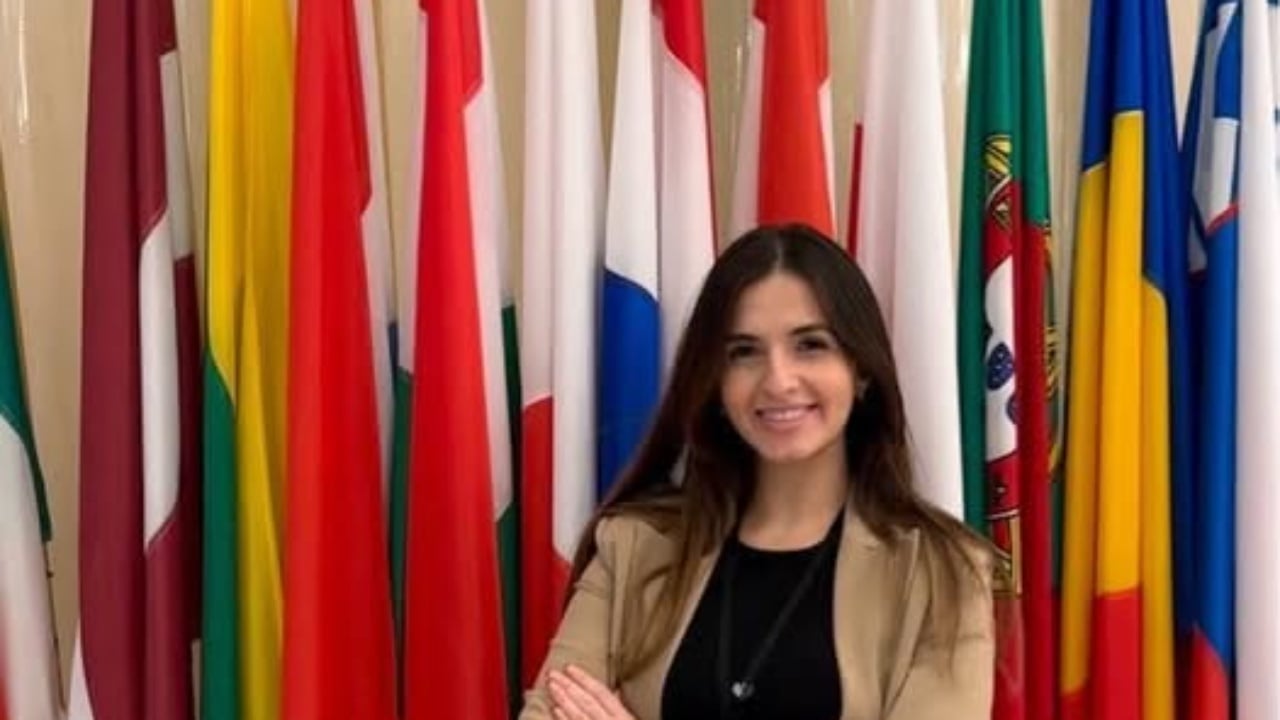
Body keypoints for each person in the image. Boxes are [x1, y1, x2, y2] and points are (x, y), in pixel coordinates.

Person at [520, 224, 994, 720]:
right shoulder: (632, 546)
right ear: (715, 381)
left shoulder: (944, 574)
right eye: (744, 352)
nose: (778, 380)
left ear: (860, 369)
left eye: (810, 345)